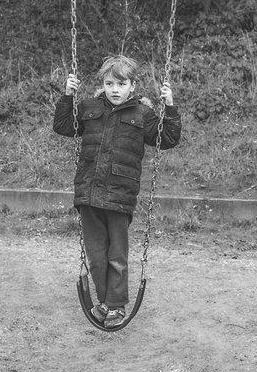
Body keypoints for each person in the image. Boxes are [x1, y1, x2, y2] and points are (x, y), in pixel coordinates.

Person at [53, 55, 182, 328]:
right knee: (97, 257)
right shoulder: (88, 108)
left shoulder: (143, 115)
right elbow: (63, 126)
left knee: (117, 257)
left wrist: (169, 106)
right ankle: (105, 303)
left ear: (132, 86)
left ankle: (116, 305)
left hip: (120, 196)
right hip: (88, 194)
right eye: (109, 83)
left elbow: (167, 139)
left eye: (121, 84)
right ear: (103, 84)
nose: (115, 89)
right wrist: (68, 96)